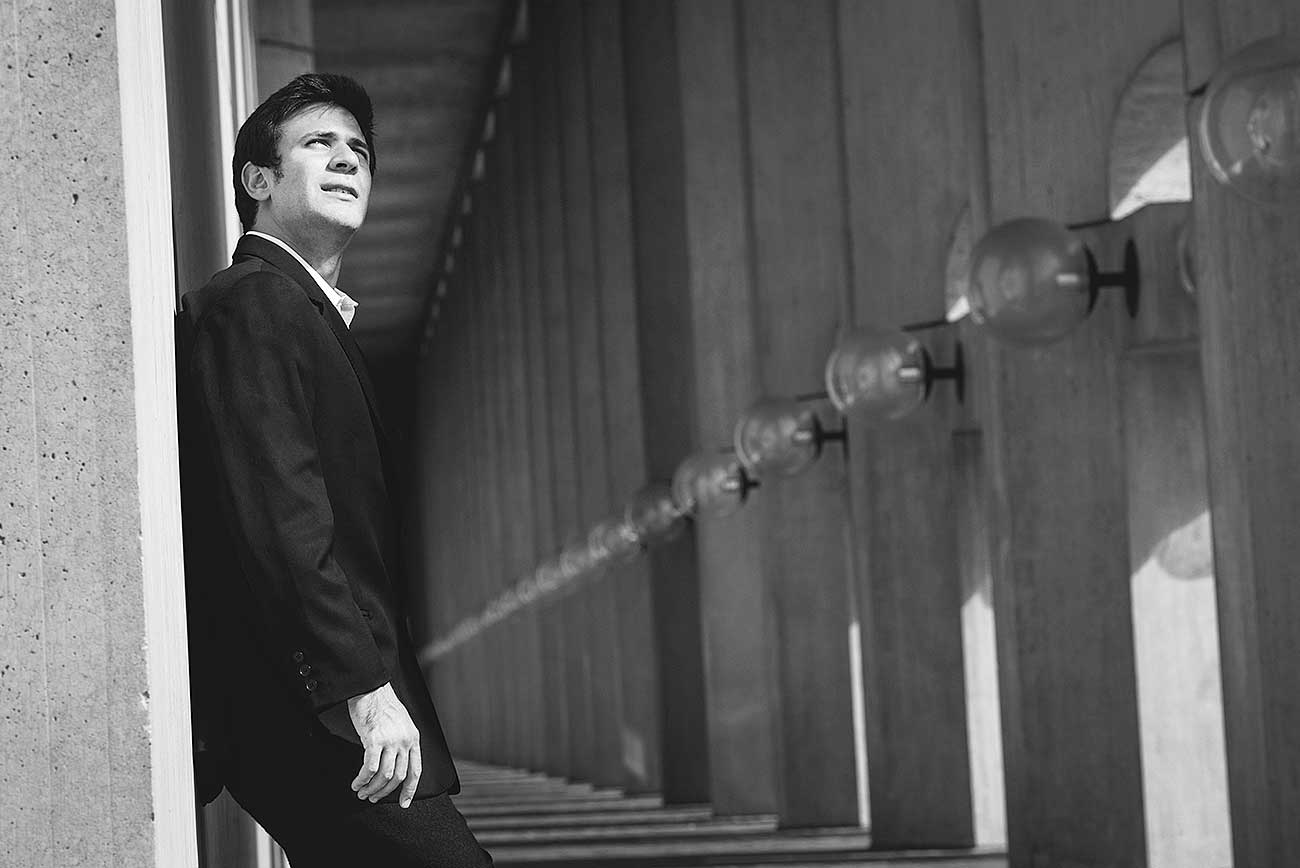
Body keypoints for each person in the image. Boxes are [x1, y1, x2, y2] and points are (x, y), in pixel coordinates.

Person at [175, 73, 492, 867]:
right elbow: (281, 513)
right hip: (316, 709)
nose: (349, 159)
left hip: (318, 704)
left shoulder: (298, 311)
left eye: (358, 150)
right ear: (259, 180)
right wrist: (363, 689)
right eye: (319, 144)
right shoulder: (256, 302)